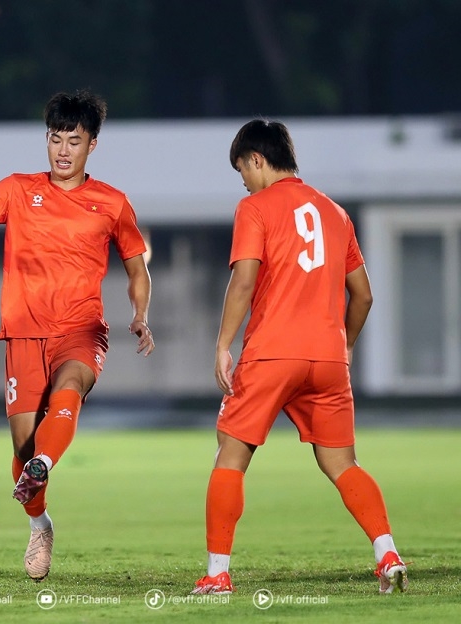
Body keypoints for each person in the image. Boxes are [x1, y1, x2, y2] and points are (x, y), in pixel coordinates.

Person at [0, 90, 155, 582]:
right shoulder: (17, 189)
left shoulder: (112, 203)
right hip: (23, 334)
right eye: (55, 139)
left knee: (70, 386)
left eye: (73, 141)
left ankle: (43, 463)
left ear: (92, 145)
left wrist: (141, 314)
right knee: (21, 447)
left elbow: (136, 267)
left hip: (82, 328)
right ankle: (40, 524)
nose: (63, 150)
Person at [192, 118, 408, 595]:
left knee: (230, 457)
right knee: (343, 464)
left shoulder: (254, 207)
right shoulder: (336, 212)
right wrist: (344, 345)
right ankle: (387, 552)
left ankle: (217, 574)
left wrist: (223, 344)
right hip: (328, 360)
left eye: (242, 170)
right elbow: (364, 295)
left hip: (271, 353)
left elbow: (243, 281)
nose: (243, 181)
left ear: (256, 159)